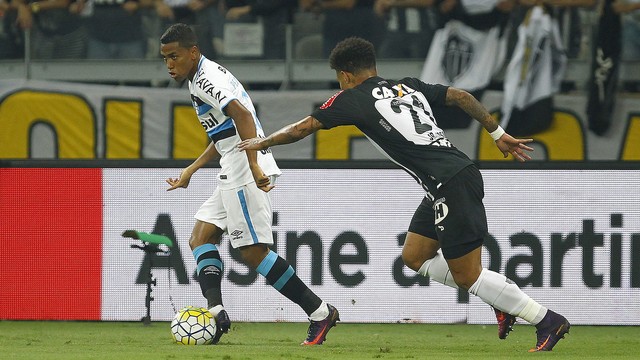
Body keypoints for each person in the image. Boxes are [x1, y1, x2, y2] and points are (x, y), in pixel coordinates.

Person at [238, 36, 571, 353]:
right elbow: (460, 96)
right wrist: (496, 132)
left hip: (448, 182)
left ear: (346, 75)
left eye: (339, 80)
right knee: (414, 256)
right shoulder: (408, 85)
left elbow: (302, 128)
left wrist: (262, 142)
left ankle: (547, 320)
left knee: (468, 274)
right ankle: (501, 301)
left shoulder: (352, 97)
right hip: (446, 179)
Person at [159, 23, 339, 346]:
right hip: (235, 161)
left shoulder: (205, 80)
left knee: (253, 252)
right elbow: (224, 134)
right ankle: (215, 313)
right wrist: (192, 169)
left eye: (174, 56)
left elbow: (243, 116)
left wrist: (254, 164)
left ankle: (319, 312)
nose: (170, 64)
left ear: (193, 52)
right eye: (165, 59)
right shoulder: (202, 76)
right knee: (200, 237)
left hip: (244, 165)